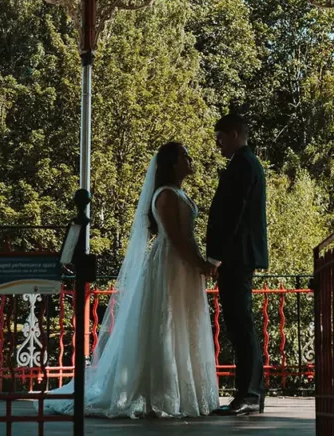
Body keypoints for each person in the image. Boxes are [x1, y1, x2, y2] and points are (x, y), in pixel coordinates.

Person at [52, 142, 219, 418]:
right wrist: (201, 263)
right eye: (184, 156)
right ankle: (162, 392)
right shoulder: (165, 194)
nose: (190, 159)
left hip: (184, 265)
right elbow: (176, 238)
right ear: (172, 163)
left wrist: (199, 262)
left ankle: (183, 391)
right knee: (166, 321)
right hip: (170, 264)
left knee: (182, 321)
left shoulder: (177, 192)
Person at [205, 112, 269, 416]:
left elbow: (232, 213)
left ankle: (250, 393)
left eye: (219, 137)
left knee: (240, 323)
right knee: (240, 323)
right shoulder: (246, 163)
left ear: (232, 133)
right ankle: (252, 392)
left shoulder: (243, 164)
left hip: (236, 255)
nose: (217, 144)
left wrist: (215, 256)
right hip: (240, 254)